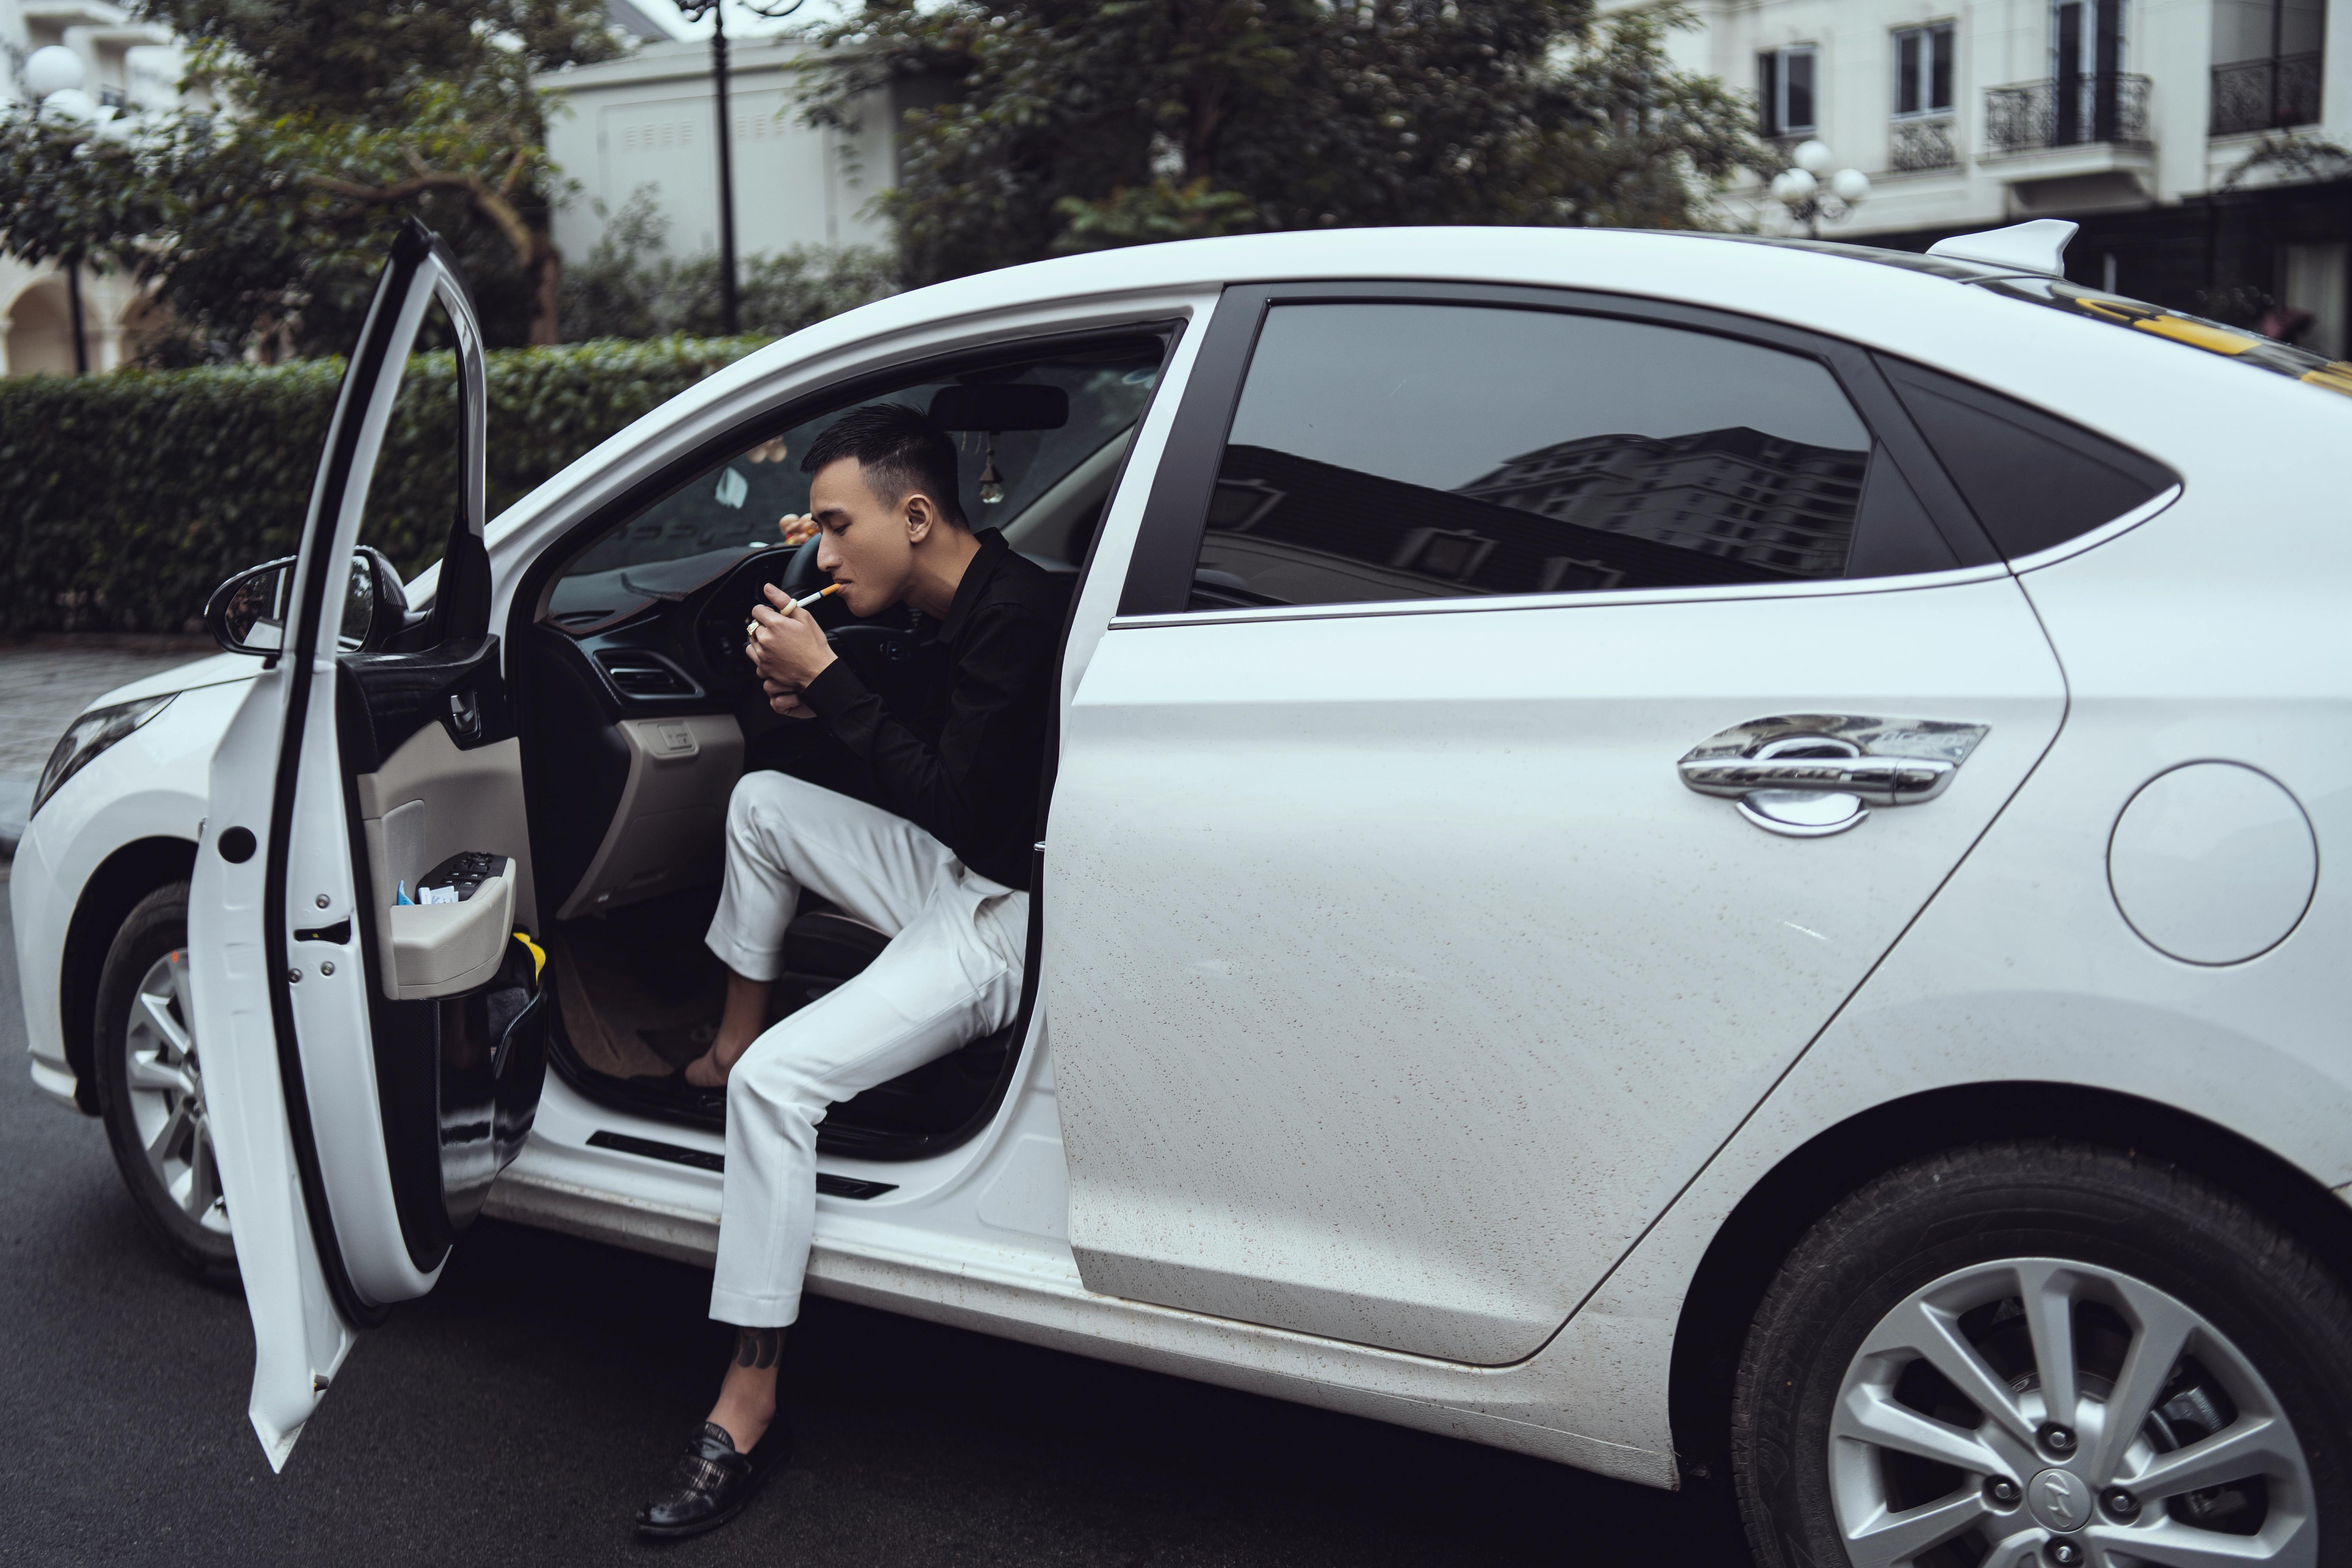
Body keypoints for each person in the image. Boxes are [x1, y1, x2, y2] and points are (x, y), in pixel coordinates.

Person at [634, 403, 1068, 1539]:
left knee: (779, 1088)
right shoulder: (950, 607)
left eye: (838, 526)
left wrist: (829, 682)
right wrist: (811, 696)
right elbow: (914, 754)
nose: (823, 555)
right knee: (764, 803)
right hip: (957, 870)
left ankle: (749, 1398)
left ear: (915, 516)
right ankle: (731, 1034)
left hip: (1003, 919)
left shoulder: (1023, 621)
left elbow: (959, 805)